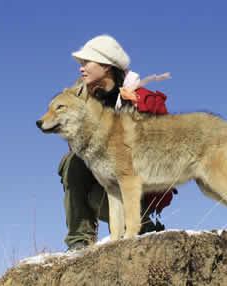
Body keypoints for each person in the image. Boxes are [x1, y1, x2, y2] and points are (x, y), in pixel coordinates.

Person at [58, 34, 176, 251]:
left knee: (97, 196)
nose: (80, 68)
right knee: (72, 163)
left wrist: (137, 112)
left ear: (106, 67)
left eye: (86, 62)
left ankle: (144, 224)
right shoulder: (83, 101)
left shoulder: (142, 97)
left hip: (142, 189)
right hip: (107, 182)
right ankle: (79, 242)